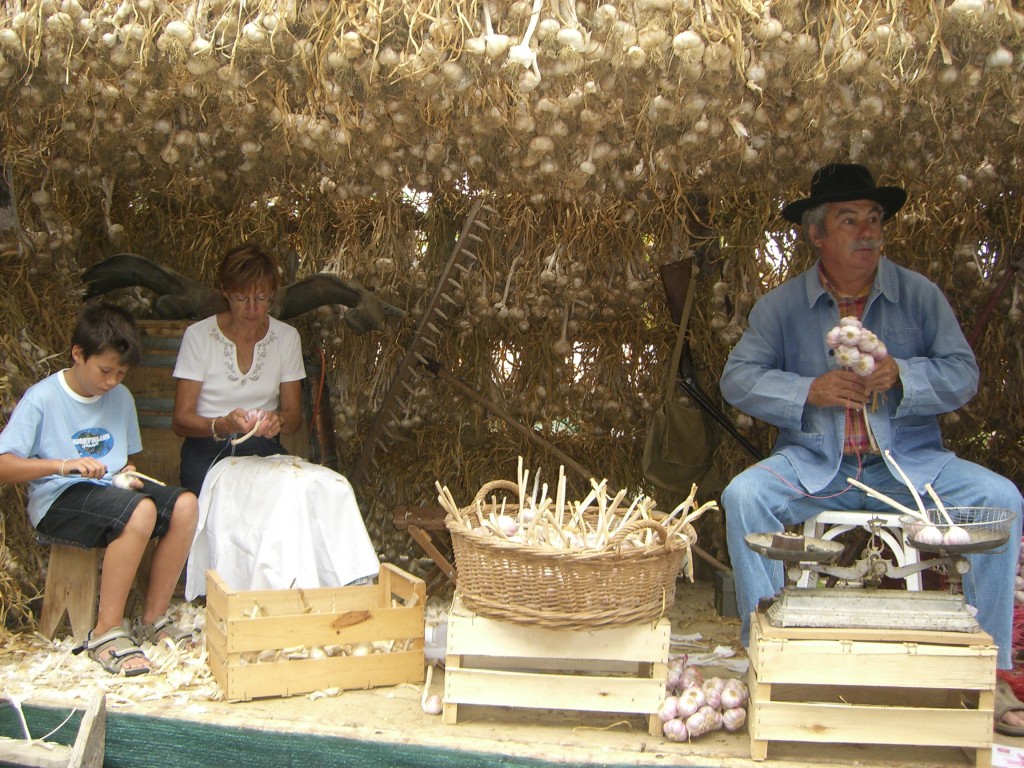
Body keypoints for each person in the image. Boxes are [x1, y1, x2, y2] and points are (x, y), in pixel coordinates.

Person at [719, 163, 1024, 733]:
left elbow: (964, 374)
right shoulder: (780, 308)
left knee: (1000, 499)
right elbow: (737, 380)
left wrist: (901, 375)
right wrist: (808, 389)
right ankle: (759, 655)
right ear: (816, 235)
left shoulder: (917, 295)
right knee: (744, 496)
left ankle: (993, 675)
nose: (867, 232)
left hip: (909, 465)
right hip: (816, 464)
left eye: (875, 219)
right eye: (849, 220)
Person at [0, 303, 199, 676]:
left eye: (120, 374)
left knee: (185, 504)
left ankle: (152, 617)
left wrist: (128, 475)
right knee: (140, 510)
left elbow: (126, 460)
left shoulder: (121, 398)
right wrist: (62, 465)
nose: (111, 382)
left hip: (111, 495)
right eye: (105, 371)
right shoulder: (43, 398)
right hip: (59, 500)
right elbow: (3, 465)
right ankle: (106, 631)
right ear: (78, 353)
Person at [171, 242, 379, 598]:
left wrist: (275, 421)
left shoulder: (285, 338)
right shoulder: (200, 336)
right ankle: (278, 595)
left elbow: (295, 417)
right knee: (286, 493)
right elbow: (181, 420)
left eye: (262, 298)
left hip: (265, 452)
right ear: (225, 292)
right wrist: (223, 423)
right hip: (210, 455)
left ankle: (353, 584)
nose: (252, 309)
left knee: (332, 485)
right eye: (241, 298)